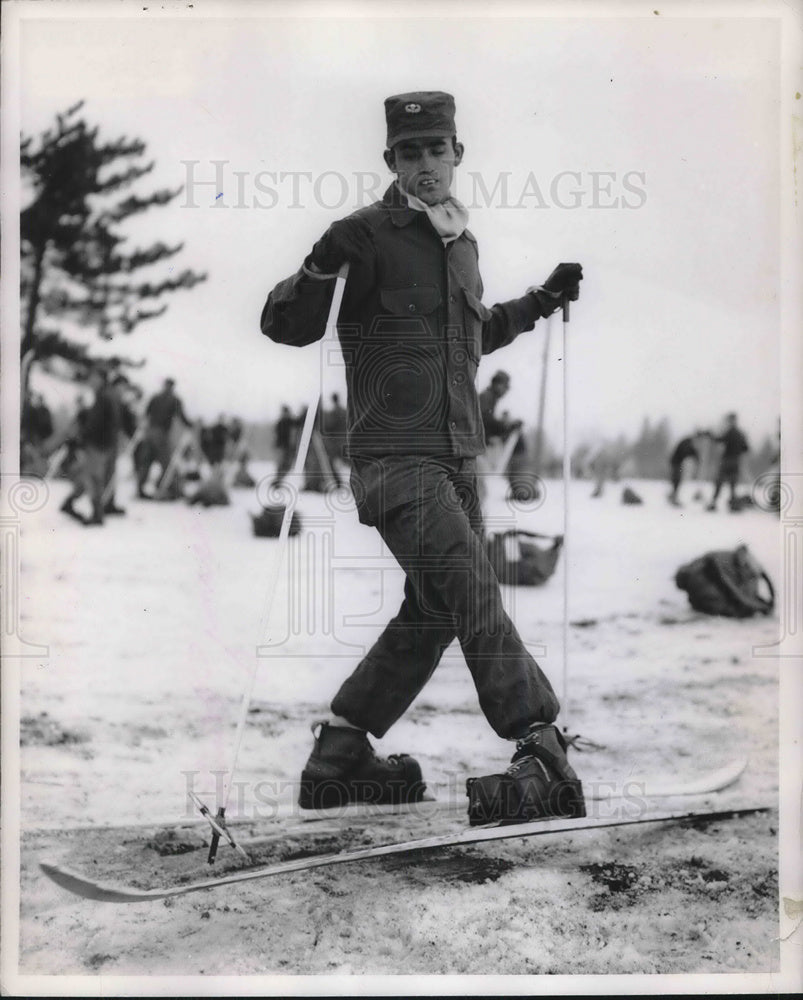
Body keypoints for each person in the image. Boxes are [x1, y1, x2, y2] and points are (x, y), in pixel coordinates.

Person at [260, 91, 584, 825]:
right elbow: (284, 325)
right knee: (470, 587)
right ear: (390, 162)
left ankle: (340, 756)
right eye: (410, 153)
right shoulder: (363, 237)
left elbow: (471, 340)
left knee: (436, 609)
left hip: (459, 462)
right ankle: (538, 742)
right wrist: (316, 266)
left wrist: (537, 301)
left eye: (437, 148)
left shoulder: (461, 244)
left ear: (458, 154)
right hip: (394, 464)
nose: (425, 164)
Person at [59, 368, 120, 526]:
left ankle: (96, 514)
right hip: (102, 444)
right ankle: (70, 503)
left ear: (101, 379)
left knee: (92, 477)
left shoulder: (103, 397)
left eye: (94, 378)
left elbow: (97, 423)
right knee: (89, 475)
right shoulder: (103, 396)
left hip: (98, 444)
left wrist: (80, 438)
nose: (91, 381)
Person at [136, 377, 193, 499]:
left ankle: (141, 489)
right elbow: (181, 416)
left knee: (146, 461)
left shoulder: (156, 398)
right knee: (166, 462)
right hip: (160, 434)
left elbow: (146, 414)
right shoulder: (174, 400)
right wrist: (190, 425)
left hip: (150, 433)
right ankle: (167, 488)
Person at [707, 413, 749, 512]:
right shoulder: (740, 434)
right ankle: (733, 504)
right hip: (736, 461)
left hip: (727, 461)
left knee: (719, 482)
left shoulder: (730, 432)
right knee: (732, 484)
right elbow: (746, 448)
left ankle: (714, 503)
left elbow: (720, 440)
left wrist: (711, 436)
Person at [668, 432, 703, 506]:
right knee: (677, 479)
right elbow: (686, 451)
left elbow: (691, 451)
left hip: (678, 462)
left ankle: (673, 496)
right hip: (676, 462)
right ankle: (673, 497)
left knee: (677, 479)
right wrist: (695, 456)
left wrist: (696, 456)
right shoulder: (687, 442)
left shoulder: (688, 442)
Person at [271, 404, 297, 487]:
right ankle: (278, 481)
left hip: (286, 448)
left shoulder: (287, 421)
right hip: (282, 448)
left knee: (286, 466)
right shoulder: (281, 422)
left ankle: (278, 481)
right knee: (282, 465)